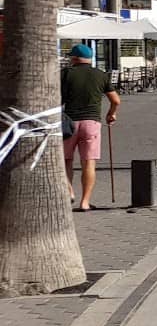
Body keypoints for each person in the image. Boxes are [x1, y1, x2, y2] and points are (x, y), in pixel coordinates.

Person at [61, 44, 120, 212]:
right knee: (88, 163)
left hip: (68, 122)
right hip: (92, 123)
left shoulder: (65, 74)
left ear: (74, 58)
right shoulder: (101, 75)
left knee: (66, 160)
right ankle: (85, 202)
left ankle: (69, 191)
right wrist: (111, 114)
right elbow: (116, 100)